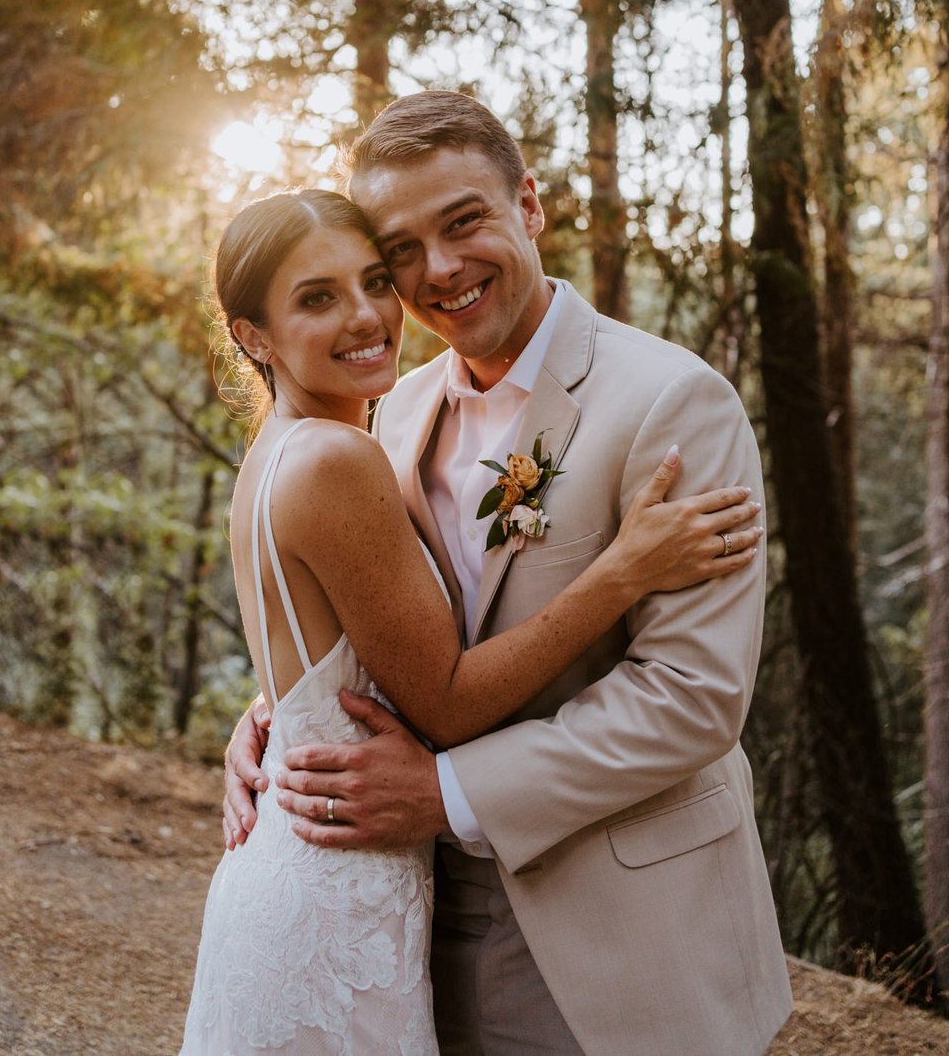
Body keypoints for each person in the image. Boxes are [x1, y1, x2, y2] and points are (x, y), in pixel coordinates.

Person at [225, 92, 794, 1056]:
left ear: (528, 204)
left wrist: (446, 792)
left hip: (619, 931)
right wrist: (280, 723)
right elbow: (378, 628)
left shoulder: (670, 403)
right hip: (415, 926)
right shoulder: (388, 412)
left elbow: (693, 700)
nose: (438, 271)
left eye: (465, 222)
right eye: (401, 250)